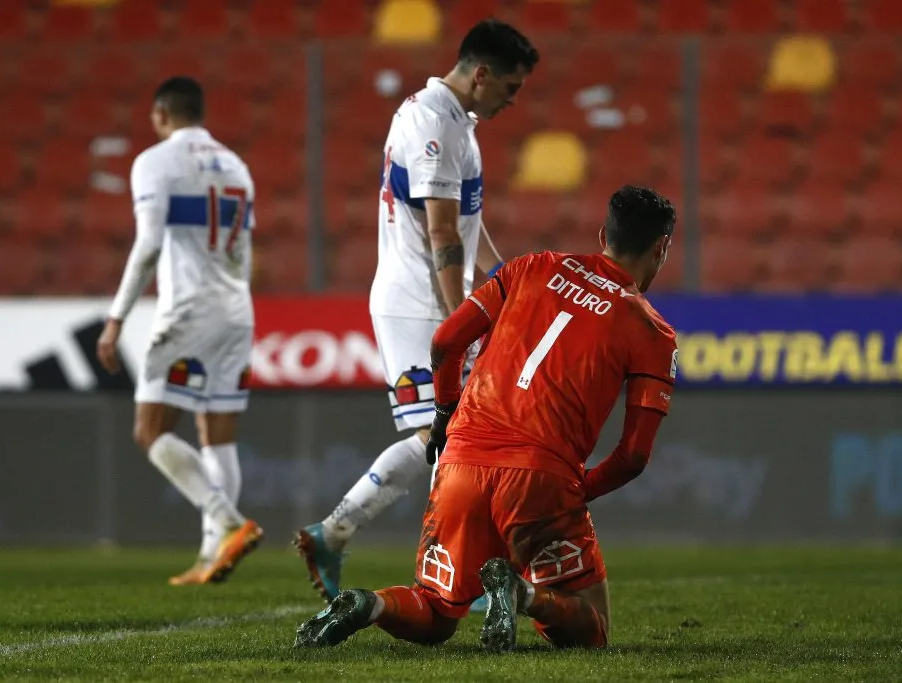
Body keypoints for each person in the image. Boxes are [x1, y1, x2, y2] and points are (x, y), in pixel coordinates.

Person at [293, 185, 678, 651]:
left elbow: (445, 342)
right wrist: (581, 489)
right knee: (592, 627)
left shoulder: (529, 266)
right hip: (542, 476)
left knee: (435, 611)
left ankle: (366, 603)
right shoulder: (653, 332)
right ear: (661, 248)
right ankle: (523, 594)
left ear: (603, 234)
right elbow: (633, 455)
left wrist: (443, 414)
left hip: (459, 464)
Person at [293, 19, 540, 612]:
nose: (513, 99)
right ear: (480, 74)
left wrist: (504, 285)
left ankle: (335, 533)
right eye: (509, 86)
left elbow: (464, 225)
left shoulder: (460, 122)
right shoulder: (432, 122)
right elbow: (439, 235)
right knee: (453, 441)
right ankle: (457, 577)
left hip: (437, 300)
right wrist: (464, 319)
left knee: (442, 436)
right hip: (418, 304)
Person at [98, 77, 263, 586]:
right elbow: (245, 256)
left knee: (149, 431)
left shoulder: (155, 161)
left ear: (160, 114)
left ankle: (230, 523)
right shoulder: (236, 166)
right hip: (237, 308)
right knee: (218, 434)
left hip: (188, 311)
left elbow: (148, 243)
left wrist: (116, 317)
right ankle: (213, 554)